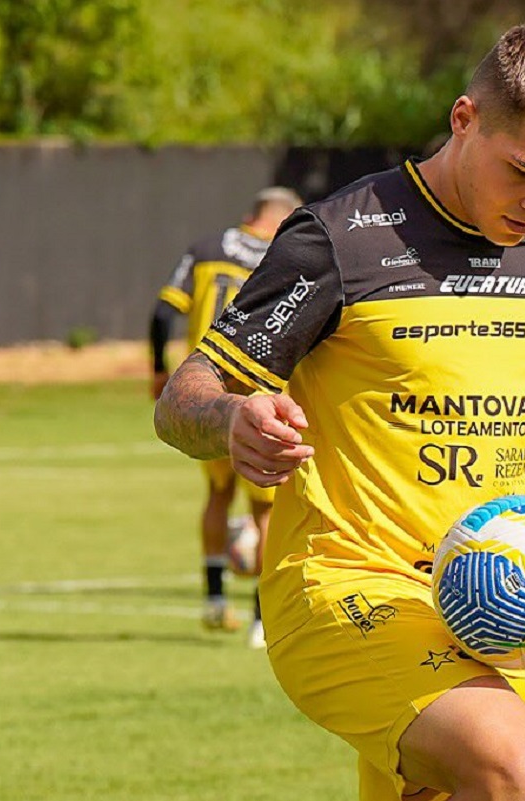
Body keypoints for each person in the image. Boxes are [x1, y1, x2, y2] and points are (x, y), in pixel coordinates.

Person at [154, 20, 525, 800]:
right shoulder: (339, 239)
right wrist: (231, 422)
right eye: (524, 172)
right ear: (464, 119)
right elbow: (184, 396)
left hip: (483, 602)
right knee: (519, 769)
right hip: (343, 587)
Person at [149, 185, 302, 644]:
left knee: (218, 496)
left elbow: (162, 313)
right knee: (265, 508)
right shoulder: (289, 253)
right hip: (265, 392)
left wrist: (159, 369)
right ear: (281, 220)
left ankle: (214, 601)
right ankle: (261, 619)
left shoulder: (207, 249)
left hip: (209, 391)